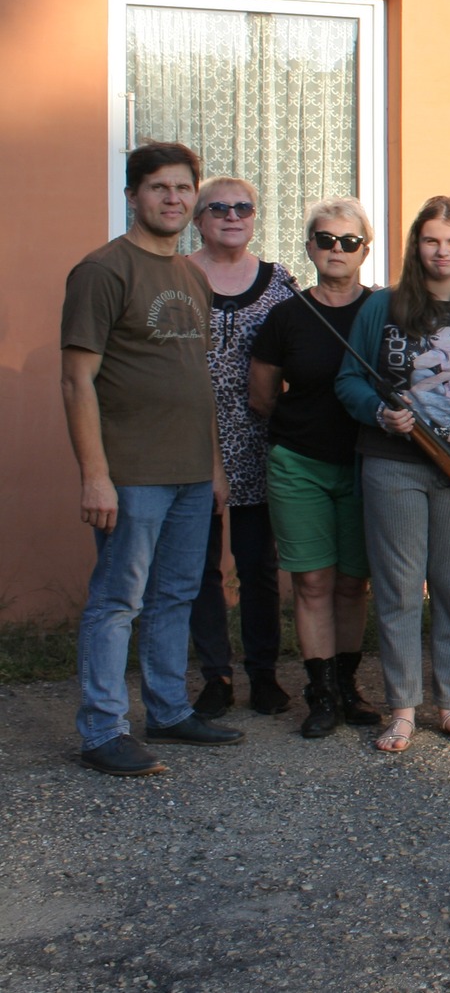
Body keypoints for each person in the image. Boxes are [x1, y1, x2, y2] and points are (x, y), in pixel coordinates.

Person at [62, 140, 244, 775]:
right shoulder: (103, 271)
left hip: (192, 473)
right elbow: (77, 381)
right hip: (132, 475)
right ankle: (102, 730)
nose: (172, 198)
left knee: (176, 596)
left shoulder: (191, 276)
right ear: (133, 195)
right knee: (119, 601)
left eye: (182, 188)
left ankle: (168, 711)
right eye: (159, 188)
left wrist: (216, 467)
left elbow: (198, 379)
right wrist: (95, 476)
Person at [336, 197, 450, 752]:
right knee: (396, 593)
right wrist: (379, 411)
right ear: (417, 245)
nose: (442, 251)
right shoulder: (380, 308)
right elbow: (349, 382)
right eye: (431, 240)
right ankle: (402, 709)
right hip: (392, 468)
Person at [248, 197, 383, 738]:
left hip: (364, 463)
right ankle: (320, 693)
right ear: (309, 248)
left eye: (348, 242)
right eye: (325, 240)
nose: (336, 250)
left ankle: (349, 687)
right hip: (299, 464)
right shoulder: (286, 316)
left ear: (365, 251)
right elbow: (261, 395)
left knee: (353, 583)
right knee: (312, 582)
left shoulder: (382, 311)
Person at [186, 175, 299, 719]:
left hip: (258, 441)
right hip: (188, 444)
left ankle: (263, 674)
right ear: (198, 218)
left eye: (244, 207)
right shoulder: (175, 278)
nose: (232, 216)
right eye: (219, 207)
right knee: (199, 565)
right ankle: (216, 675)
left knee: (258, 564)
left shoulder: (280, 282)